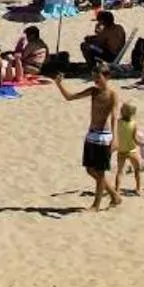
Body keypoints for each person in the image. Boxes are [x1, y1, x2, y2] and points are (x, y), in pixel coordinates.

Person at [49, 65, 121, 210]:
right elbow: (70, 97)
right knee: (90, 169)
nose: (95, 80)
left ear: (107, 77)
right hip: (92, 134)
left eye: (98, 77)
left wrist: (115, 138)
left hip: (104, 136)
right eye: (94, 77)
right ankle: (114, 195)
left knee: (100, 173)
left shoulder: (112, 94)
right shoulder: (93, 91)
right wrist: (59, 84)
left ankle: (96, 205)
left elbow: (114, 116)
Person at [114, 100, 144, 196]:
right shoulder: (133, 124)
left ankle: (116, 190)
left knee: (119, 171)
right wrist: (142, 143)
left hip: (121, 150)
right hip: (131, 150)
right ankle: (138, 189)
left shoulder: (118, 122)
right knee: (137, 170)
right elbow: (135, 139)